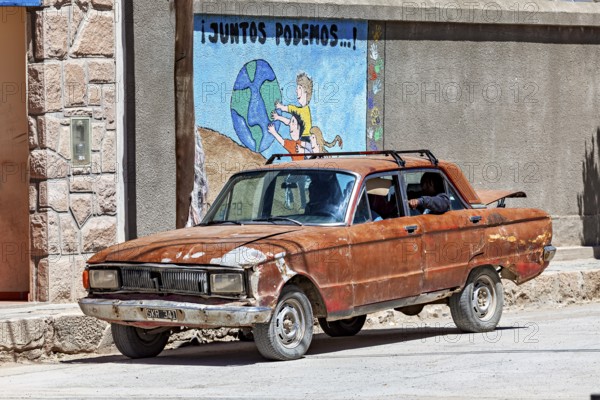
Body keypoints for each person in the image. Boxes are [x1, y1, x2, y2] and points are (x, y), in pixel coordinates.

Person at [272, 72, 314, 152]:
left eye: (299, 88)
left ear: (305, 90)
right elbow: (291, 123)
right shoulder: (301, 112)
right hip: (302, 140)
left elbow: (292, 109)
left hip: (306, 140)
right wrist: (278, 117)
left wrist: (281, 107)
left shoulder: (304, 111)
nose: (296, 91)